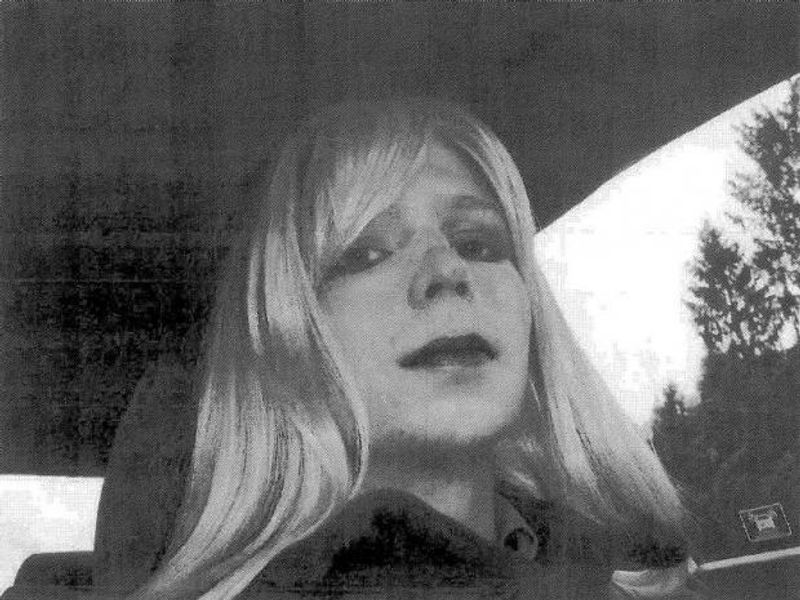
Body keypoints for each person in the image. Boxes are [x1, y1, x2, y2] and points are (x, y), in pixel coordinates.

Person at [94, 98, 698, 599]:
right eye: (367, 252)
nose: (448, 270)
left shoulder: (637, 577)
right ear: (286, 333)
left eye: (478, 243)